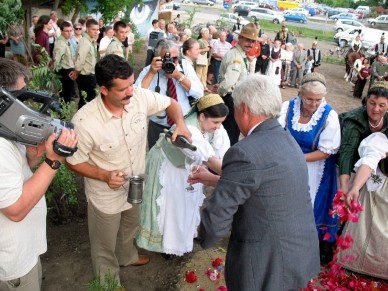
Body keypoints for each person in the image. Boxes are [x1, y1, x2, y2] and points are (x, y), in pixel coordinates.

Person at [66, 54, 191, 284]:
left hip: (136, 185)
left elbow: (171, 104)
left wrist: (181, 125)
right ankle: (108, 283)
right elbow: (73, 161)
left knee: (130, 228)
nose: (131, 92)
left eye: (132, 84)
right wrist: (104, 175)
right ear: (104, 89)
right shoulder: (84, 122)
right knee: (104, 245)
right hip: (105, 196)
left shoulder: (138, 97)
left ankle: (127, 257)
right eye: (123, 89)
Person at [193, 74, 320, 290]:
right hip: (298, 250)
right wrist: (216, 179)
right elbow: (262, 186)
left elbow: (219, 215)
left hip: (265, 261)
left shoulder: (244, 152)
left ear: (244, 109)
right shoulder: (287, 139)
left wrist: (199, 236)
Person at [0, 58, 78, 291]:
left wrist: (32, 160)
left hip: (22, 252)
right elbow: (15, 210)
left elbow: (11, 178)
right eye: (23, 97)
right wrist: (53, 161)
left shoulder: (6, 131)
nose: (30, 105)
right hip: (13, 264)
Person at [137, 94, 230, 256]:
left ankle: (184, 237)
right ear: (202, 116)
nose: (218, 126)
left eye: (221, 122)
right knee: (174, 205)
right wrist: (234, 175)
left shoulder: (211, 125)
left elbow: (220, 152)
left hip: (185, 165)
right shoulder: (190, 129)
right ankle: (169, 246)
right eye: (216, 122)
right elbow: (209, 159)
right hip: (169, 166)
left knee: (188, 202)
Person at [278, 72, 341, 264]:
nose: (314, 104)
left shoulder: (329, 115)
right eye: (309, 99)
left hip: (317, 167)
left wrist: (298, 158)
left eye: (318, 99)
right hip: (288, 164)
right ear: (300, 93)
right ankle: (285, 243)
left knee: (315, 205)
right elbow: (276, 134)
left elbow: (327, 151)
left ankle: (316, 248)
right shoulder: (287, 108)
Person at [337, 111, 388, 280]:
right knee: (371, 225)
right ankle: (363, 264)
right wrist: (355, 188)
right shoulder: (381, 140)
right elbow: (369, 161)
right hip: (380, 189)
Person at [135, 39, 203, 149]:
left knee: (181, 160)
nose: (171, 62)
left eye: (174, 58)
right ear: (157, 58)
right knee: (156, 157)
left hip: (184, 122)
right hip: (157, 125)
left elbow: (199, 93)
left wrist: (179, 76)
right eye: (166, 59)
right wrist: (151, 73)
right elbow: (136, 97)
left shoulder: (184, 66)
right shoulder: (149, 70)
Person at [338, 81, 388, 195]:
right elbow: (347, 153)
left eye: (382, 105)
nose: (376, 109)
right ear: (366, 101)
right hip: (348, 168)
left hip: (373, 170)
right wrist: (344, 187)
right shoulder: (355, 120)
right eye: (372, 103)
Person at [217, 23, 258, 145]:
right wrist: (220, 92)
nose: (250, 44)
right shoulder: (236, 55)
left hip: (234, 99)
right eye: (247, 40)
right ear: (239, 38)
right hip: (231, 99)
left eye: (252, 41)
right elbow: (229, 82)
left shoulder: (240, 54)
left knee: (231, 133)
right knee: (229, 135)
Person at [71, 19, 99, 109]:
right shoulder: (85, 42)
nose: (96, 32)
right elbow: (80, 60)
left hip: (89, 76)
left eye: (97, 29)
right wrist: (77, 72)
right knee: (86, 102)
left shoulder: (90, 40)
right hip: (86, 77)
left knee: (88, 101)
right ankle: (79, 121)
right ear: (87, 29)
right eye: (93, 29)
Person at [53, 21, 76, 103]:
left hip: (69, 70)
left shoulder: (67, 41)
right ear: (61, 31)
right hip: (64, 72)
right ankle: (63, 114)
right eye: (66, 31)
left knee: (67, 96)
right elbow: (57, 60)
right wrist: (56, 74)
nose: (69, 33)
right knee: (65, 97)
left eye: (70, 31)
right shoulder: (61, 43)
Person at [196, 28, 212, 92]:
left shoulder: (207, 41)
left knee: (204, 74)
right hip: (200, 59)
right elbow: (197, 50)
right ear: (202, 34)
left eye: (208, 33)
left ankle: (204, 86)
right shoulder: (200, 41)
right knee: (199, 73)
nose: (208, 35)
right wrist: (206, 49)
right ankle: (198, 86)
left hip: (205, 59)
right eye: (206, 33)